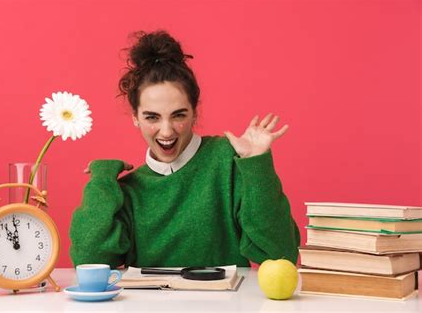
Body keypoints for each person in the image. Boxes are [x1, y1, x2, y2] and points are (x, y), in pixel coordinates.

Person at [69, 30, 300, 268]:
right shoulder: (127, 190)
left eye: (178, 115)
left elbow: (281, 253)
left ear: (194, 113)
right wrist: (102, 180)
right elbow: (89, 261)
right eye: (152, 117)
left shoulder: (227, 160)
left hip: (224, 305)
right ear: (135, 117)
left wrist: (256, 166)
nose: (167, 131)